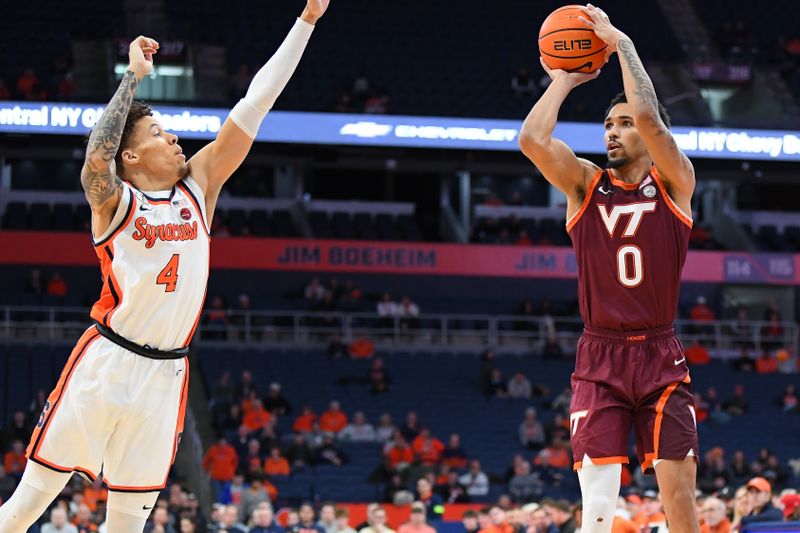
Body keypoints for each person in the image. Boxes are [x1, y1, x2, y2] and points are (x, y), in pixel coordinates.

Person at [0, 2, 331, 532]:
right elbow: (95, 157)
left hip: (167, 375)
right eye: (158, 132)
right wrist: (132, 77)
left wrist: (307, 21)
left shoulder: (199, 187)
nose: (174, 137)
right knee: (23, 511)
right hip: (106, 363)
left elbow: (256, 103)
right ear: (130, 157)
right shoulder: (114, 202)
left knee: (127, 527)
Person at [518, 5, 698, 533]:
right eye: (608, 125)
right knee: (597, 509)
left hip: (661, 352)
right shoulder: (584, 185)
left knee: (680, 501)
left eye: (622, 124)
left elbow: (649, 116)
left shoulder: (675, 182)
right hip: (599, 355)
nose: (613, 133)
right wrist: (563, 82)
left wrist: (621, 44)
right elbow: (531, 141)